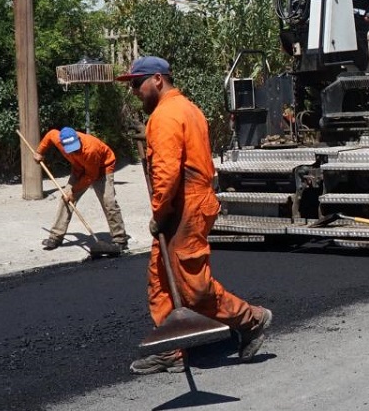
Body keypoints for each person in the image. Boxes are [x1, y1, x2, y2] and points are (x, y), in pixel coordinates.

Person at [116, 56, 273, 374]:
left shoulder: (165, 116)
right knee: (161, 279)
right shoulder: (186, 108)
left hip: (183, 208)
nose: (134, 91)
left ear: (157, 80)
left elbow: (167, 173)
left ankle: (252, 319)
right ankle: (171, 348)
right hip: (187, 204)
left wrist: (160, 213)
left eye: (137, 83)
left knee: (192, 286)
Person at [35, 127, 130, 250]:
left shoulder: (90, 149)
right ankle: (55, 237)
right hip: (79, 168)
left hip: (102, 168)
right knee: (65, 199)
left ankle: (120, 239)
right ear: (62, 143)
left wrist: (73, 192)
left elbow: (91, 176)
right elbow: (50, 134)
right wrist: (39, 152)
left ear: (78, 139)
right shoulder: (57, 138)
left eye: (76, 147)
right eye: (70, 149)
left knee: (109, 202)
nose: (74, 152)